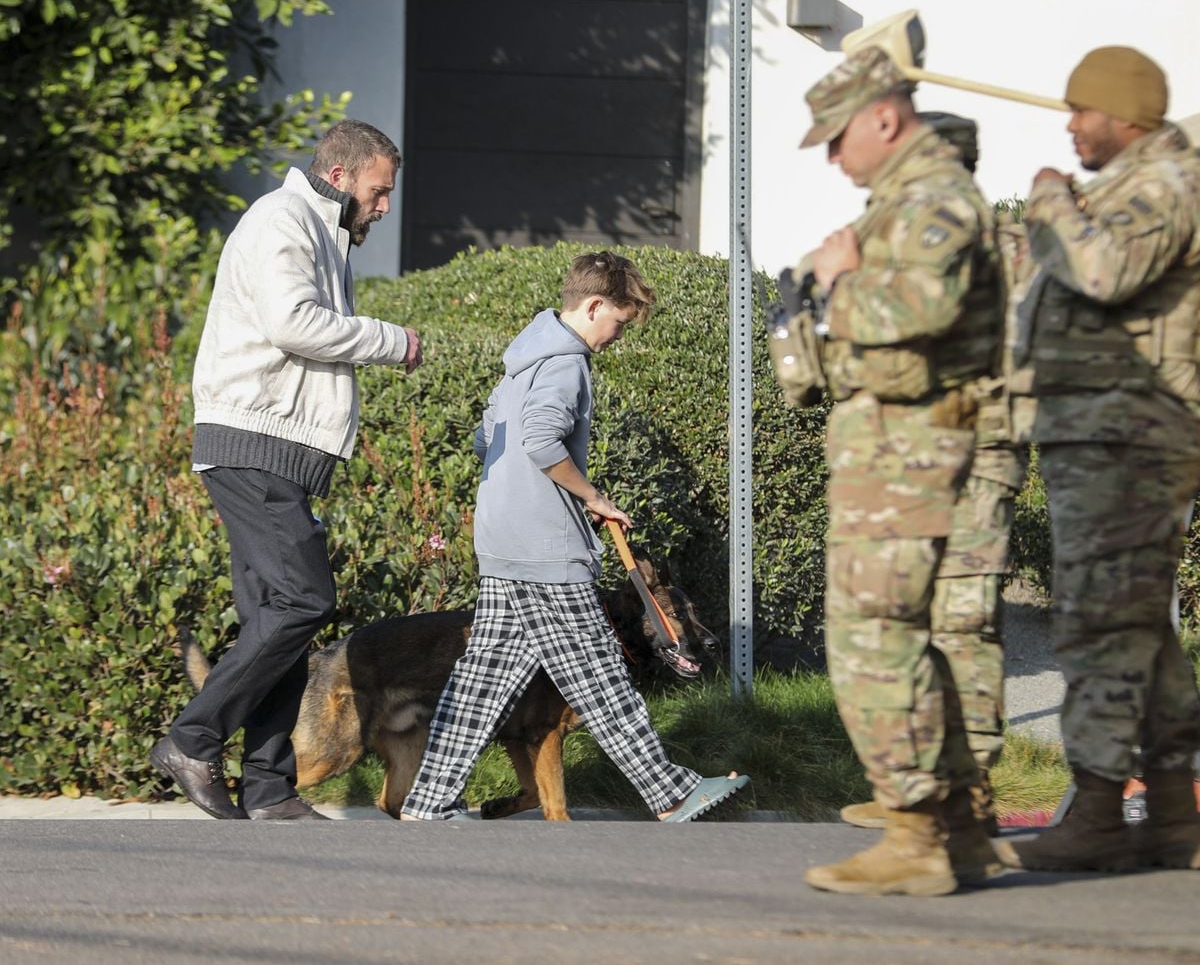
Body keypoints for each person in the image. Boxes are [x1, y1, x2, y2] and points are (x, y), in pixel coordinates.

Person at [398, 251, 748, 823]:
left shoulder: (521, 360)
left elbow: (487, 439)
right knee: (602, 675)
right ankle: (672, 793)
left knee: (481, 683)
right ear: (593, 306)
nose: (618, 335)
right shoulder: (565, 364)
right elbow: (541, 440)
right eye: (619, 322)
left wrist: (529, 496)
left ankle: (429, 801)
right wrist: (589, 497)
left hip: (503, 541)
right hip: (543, 550)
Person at [150, 119, 424, 821]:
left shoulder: (320, 232)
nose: (384, 206)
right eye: (379, 191)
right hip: (252, 446)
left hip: (271, 450)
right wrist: (394, 341)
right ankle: (191, 738)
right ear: (341, 177)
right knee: (305, 600)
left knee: (277, 619)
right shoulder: (283, 221)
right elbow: (292, 323)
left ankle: (270, 789)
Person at [796, 48, 1004, 896]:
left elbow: (922, 307)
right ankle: (954, 831)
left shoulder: (934, 199)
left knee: (873, 643)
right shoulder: (908, 198)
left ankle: (917, 834)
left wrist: (837, 283)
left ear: (885, 118)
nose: (833, 156)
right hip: (895, 457)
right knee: (903, 640)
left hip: (912, 459)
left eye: (838, 137)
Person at [995, 47, 1200, 872]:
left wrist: (1051, 198)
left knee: (1100, 624)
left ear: (1127, 117)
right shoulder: (1128, 188)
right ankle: (1174, 811)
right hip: (1105, 432)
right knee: (1140, 629)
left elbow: (1103, 271)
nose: (1071, 124)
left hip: (1132, 440)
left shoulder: (1164, 185)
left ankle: (1098, 809)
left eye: (1083, 111)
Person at [838, 113, 1030, 837]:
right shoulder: (948, 235)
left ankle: (970, 792)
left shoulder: (985, 240)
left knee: (962, 618)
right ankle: (926, 788)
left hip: (981, 448)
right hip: (935, 451)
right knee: (915, 617)